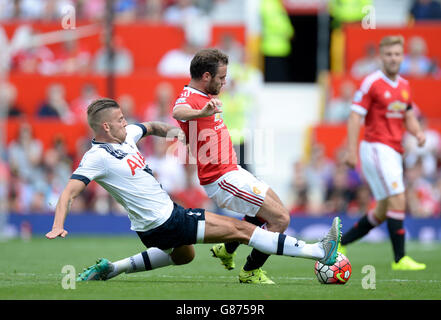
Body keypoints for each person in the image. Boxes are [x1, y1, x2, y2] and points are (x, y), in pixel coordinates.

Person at [45, 98, 342, 283]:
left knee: (184, 256)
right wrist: (58, 225)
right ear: (106, 127)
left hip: (152, 226)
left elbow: (150, 126)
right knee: (240, 230)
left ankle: (112, 269)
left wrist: (175, 133)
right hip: (165, 221)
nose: (127, 122)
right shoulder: (96, 157)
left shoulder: (126, 138)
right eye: (121, 119)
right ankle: (318, 251)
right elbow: (69, 192)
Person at [172, 48, 294, 284]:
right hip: (221, 178)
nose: (225, 82)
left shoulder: (206, 96)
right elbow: (178, 110)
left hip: (234, 170)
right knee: (280, 220)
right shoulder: (190, 97)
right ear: (206, 76)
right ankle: (250, 271)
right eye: (221, 78)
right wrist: (200, 112)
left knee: (272, 211)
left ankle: (226, 250)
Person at [341, 35, 427, 271]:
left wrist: (418, 133)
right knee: (398, 197)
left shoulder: (405, 86)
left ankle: (340, 244)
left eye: (397, 54)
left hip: (394, 150)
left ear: (402, 56)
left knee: (382, 209)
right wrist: (350, 151)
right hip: (376, 148)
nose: (393, 58)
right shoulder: (371, 83)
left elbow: (408, 116)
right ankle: (400, 259)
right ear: (381, 56)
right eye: (388, 54)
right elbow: (355, 116)